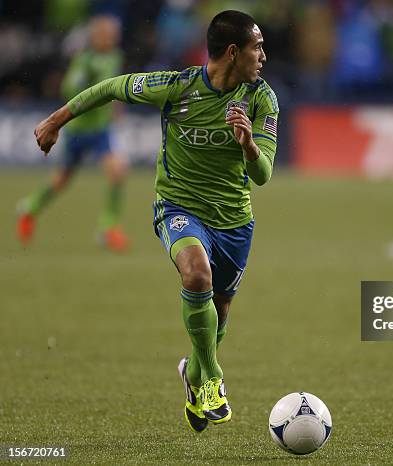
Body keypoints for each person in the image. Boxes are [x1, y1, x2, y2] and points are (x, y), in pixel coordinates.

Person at [33, 10, 278, 432]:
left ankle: (195, 375)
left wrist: (249, 145)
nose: (264, 55)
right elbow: (112, 87)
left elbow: (263, 176)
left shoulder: (261, 99)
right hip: (178, 208)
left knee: (217, 318)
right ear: (234, 51)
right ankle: (213, 380)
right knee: (197, 276)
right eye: (256, 46)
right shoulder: (178, 86)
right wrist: (57, 120)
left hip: (235, 221)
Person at [17, 15, 129, 252]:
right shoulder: (84, 59)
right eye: (107, 34)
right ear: (95, 37)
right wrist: (87, 81)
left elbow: (113, 88)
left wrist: (116, 108)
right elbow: (70, 89)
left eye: (113, 34)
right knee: (61, 181)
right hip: (78, 129)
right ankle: (31, 208)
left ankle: (108, 228)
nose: (112, 38)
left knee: (117, 172)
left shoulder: (115, 57)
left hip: (101, 130)